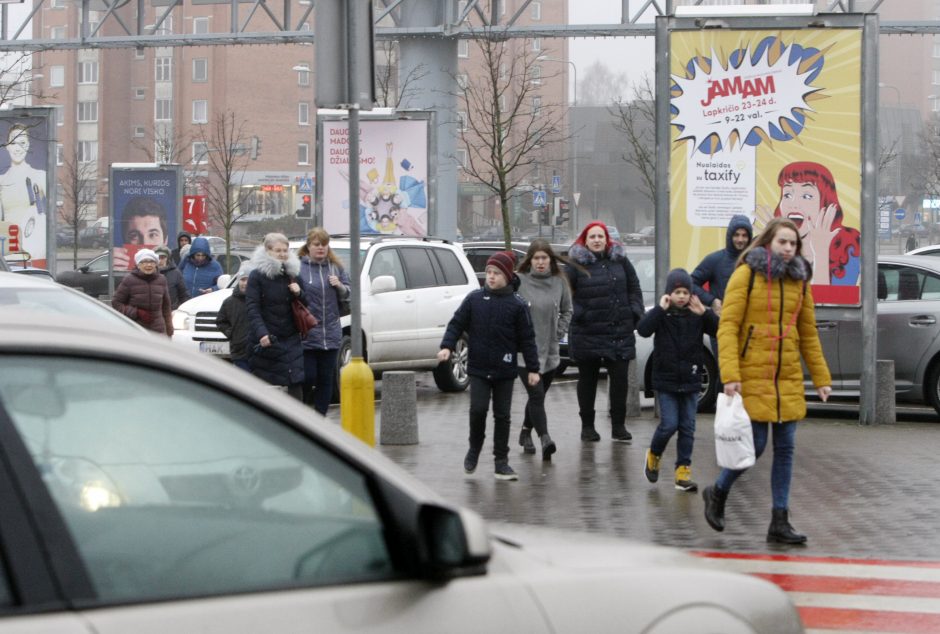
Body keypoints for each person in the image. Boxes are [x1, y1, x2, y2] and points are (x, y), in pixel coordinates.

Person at [702, 217, 832, 545]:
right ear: (768, 243)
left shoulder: (800, 282)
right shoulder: (746, 274)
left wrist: (821, 377)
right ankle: (717, 491)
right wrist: (730, 375)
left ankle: (780, 520)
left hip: (786, 376)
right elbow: (728, 326)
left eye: (793, 244)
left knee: (786, 449)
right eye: (782, 242)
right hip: (752, 375)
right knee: (755, 447)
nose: (788, 248)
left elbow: (808, 332)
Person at [438, 251, 540, 481]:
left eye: (496, 273)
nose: (491, 277)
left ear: (507, 276)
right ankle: (474, 449)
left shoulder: (517, 304)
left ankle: (501, 462)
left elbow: (527, 339)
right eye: (489, 272)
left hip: (505, 370)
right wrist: (447, 346)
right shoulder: (474, 299)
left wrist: (533, 369)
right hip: (479, 369)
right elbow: (456, 323)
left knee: (502, 416)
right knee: (478, 410)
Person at [637, 268, 718, 493]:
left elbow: (720, 330)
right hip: (666, 381)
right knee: (669, 425)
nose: (681, 296)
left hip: (691, 379)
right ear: (668, 294)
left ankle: (683, 472)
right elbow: (643, 330)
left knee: (688, 427)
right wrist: (659, 310)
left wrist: (705, 313)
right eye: (677, 292)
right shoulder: (661, 315)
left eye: (685, 292)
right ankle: (653, 455)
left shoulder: (696, 314)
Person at [566, 221, 645, 443]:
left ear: (607, 239)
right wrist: (580, 313)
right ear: (585, 240)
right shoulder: (575, 265)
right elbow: (566, 294)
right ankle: (588, 427)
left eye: (601, 236)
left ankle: (618, 426)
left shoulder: (620, 260)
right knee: (588, 380)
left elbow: (634, 287)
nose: (597, 240)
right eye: (592, 237)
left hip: (618, 331)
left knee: (620, 381)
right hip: (587, 332)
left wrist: (634, 310)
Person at [756, 161, 860, 288]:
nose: (794, 203)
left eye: (806, 196)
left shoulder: (849, 246)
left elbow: (830, 301)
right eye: (787, 194)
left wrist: (821, 253)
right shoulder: (768, 247)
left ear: (825, 204)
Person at [515, 239, 572, 460]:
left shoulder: (559, 282)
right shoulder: (519, 281)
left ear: (550, 260)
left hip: (550, 352)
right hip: (525, 354)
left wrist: (559, 332)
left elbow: (568, 310)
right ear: (529, 260)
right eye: (536, 258)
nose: (540, 262)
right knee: (536, 396)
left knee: (538, 397)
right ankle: (545, 438)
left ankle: (525, 432)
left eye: (544, 258)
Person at [246, 233, 309, 400]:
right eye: (278, 250)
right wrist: (262, 333)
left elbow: (306, 303)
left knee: (295, 380)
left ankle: (296, 421)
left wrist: (299, 292)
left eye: (285, 250)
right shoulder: (257, 276)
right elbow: (253, 308)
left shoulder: (293, 274)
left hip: (290, 337)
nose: (282, 254)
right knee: (265, 383)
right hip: (267, 338)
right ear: (267, 251)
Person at [297, 228, 351, 415]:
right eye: (316, 244)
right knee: (308, 376)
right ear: (308, 246)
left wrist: (340, 286)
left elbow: (349, 293)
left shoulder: (336, 267)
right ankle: (302, 413)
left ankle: (320, 417)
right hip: (307, 333)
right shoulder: (299, 267)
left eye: (324, 244)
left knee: (326, 378)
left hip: (331, 333)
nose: (321, 248)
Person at [0, 124, 47, 260]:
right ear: (7, 146)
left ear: (28, 145)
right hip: (8, 252)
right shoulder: (1, 181)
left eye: (22, 143)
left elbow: (50, 216)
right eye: (13, 142)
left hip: (33, 250)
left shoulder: (39, 176)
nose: (18, 148)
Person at [111, 248, 173, 336]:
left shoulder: (161, 279)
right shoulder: (129, 280)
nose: (148, 265)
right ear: (138, 265)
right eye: (144, 262)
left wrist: (169, 327)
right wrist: (136, 313)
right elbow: (116, 303)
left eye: (152, 262)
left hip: (158, 330)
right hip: (136, 330)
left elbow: (166, 306)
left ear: (156, 264)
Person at [114, 196, 169, 271]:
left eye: (153, 235)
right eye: (134, 236)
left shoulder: (174, 274)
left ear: (165, 241)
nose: (145, 243)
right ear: (125, 241)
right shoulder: (118, 271)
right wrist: (114, 272)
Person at [216, 272, 252, 372]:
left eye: (248, 280)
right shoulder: (229, 302)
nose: (245, 283)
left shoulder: (260, 300)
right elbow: (221, 321)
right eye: (243, 280)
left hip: (258, 352)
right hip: (239, 351)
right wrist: (231, 332)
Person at [155, 245, 189, 310]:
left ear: (168, 258)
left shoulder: (176, 273)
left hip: (172, 311)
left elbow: (183, 294)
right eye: (158, 257)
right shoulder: (150, 273)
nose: (160, 261)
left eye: (163, 257)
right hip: (154, 312)